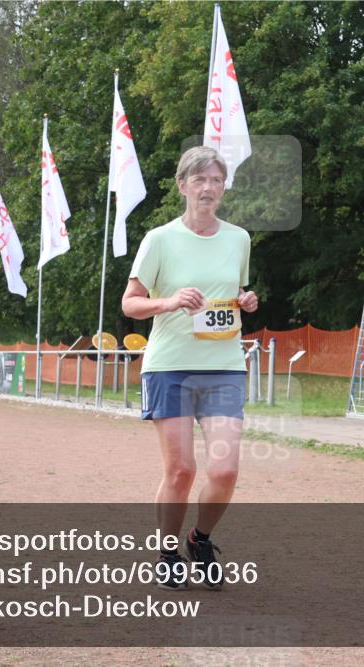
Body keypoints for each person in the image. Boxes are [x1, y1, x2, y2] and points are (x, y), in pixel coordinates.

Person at [121, 146, 258, 591]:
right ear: (182, 186)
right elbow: (131, 304)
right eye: (199, 179)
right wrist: (171, 300)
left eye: (216, 179)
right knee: (181, 471)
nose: (208, 187)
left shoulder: (239, 239)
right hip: (170, 368)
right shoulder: (159, 239)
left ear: (223, 187)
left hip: (224, 366)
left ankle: (200, 539)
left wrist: (246, 300)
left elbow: (234, 292)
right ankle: (166, 552)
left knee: (225, 471)